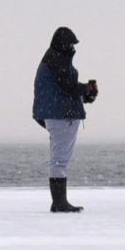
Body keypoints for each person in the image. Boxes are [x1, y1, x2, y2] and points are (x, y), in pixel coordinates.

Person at [31, 27, 96, 213]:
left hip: (56, 114)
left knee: (59, 159)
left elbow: (60, 89)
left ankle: (59, 202)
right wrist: (86, 89)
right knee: (59, 160)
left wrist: (84, 94)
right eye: (70, 44)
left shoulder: (52, 59)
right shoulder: (57, 60)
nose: (72, 48)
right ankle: (59, 203)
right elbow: (68, 86)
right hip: (61, 116)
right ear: (62, 44)